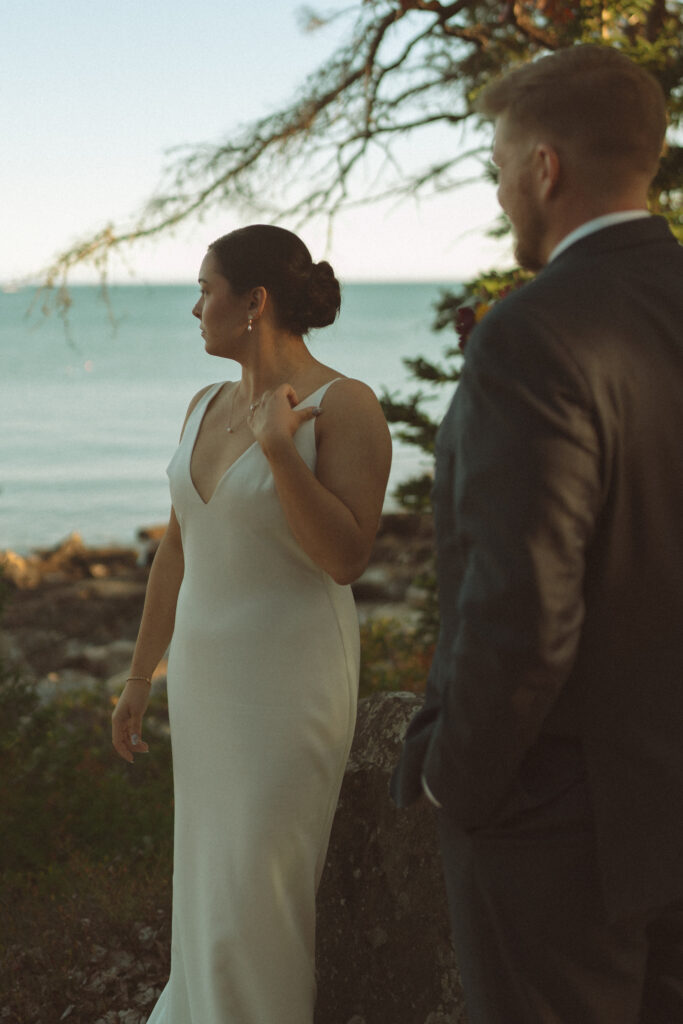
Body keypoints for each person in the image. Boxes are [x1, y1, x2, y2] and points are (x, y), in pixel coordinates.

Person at [391, 44, 683, 1023]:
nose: (502, 191)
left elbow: (521, 602)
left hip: (561, 829)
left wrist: (453, 781)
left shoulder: (532, 333)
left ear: (543, 168)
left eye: (499, 167)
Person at [111, 224, 391, 1023]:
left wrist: (277, 454)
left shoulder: (346, 405)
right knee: (206, 878)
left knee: (258, 891)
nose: (195, 306)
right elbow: (177, 550)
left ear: (253, 302)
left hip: (289, 682)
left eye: (205, 289)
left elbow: (345, 558)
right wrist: (140, 676)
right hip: (205, 683)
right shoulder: (202, 403)